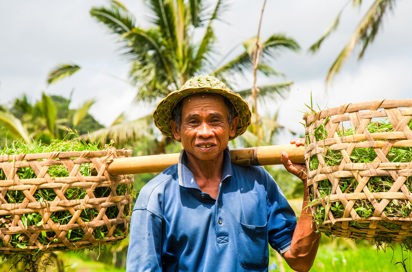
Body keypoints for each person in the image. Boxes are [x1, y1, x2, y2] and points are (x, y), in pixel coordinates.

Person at [126, 75, 320, 271]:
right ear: (177, 130)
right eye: (193, 122)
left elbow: (300, 260)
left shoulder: (258, 183)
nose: (205, 132)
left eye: (215, 120)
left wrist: (311, 185)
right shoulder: (155, 198)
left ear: (232, 127)